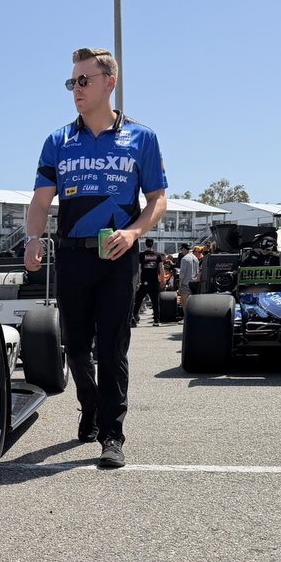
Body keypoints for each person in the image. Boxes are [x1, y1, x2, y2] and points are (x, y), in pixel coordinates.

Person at [24, 47, 168, 468]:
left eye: (84, 80)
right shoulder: (58, 141)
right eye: (72, 82)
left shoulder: (143, 138)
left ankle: (112, 433)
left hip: (118, 259)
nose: (76, 89)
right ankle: (89, 405)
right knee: (75, 349)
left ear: (110, 82)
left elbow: (158, 199)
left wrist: (135, 231)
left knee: (113, 349)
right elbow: (39, 199)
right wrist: (33, 238)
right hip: (72, 257)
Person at [132, 238, 162, 326]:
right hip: (154, 281)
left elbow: (139, 269)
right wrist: (163, 280)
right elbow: (161, 268)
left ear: (145, 244)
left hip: (144, 281)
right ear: (153, 244)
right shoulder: (158, 255)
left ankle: (134, 319)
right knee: (155, 302)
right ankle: (156, 320)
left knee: (138, 300)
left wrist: (138, 281)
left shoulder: (141, 255)